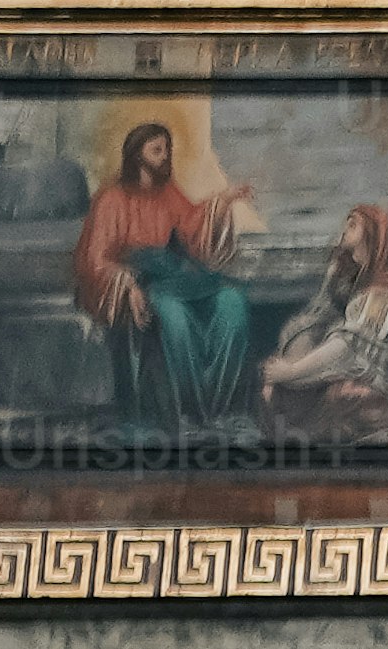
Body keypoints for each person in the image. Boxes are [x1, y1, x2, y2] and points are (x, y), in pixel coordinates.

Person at [75, 123, 265, 434]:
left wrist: (224, 201)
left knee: (233, 304)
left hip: (178, 278)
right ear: (137, 156)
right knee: (174, 318)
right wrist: (129, 285)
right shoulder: (111, 199)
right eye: (157, 150)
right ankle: (187, 413)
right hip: (145, 282)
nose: (165, 157)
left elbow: (193, 223)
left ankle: (222, 411)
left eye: (167, 150)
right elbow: (96, 260)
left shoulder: (168, 192)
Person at [259, 203, 388, 445]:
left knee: (341, 400)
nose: (344, 229)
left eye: (353, 224)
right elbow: (317, 319)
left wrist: (294, 371)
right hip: (346, 368)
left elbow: (350, 346)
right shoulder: (354, 278)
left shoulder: (384, 291)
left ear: (372, 235)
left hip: (377, 376)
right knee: (278, 394)